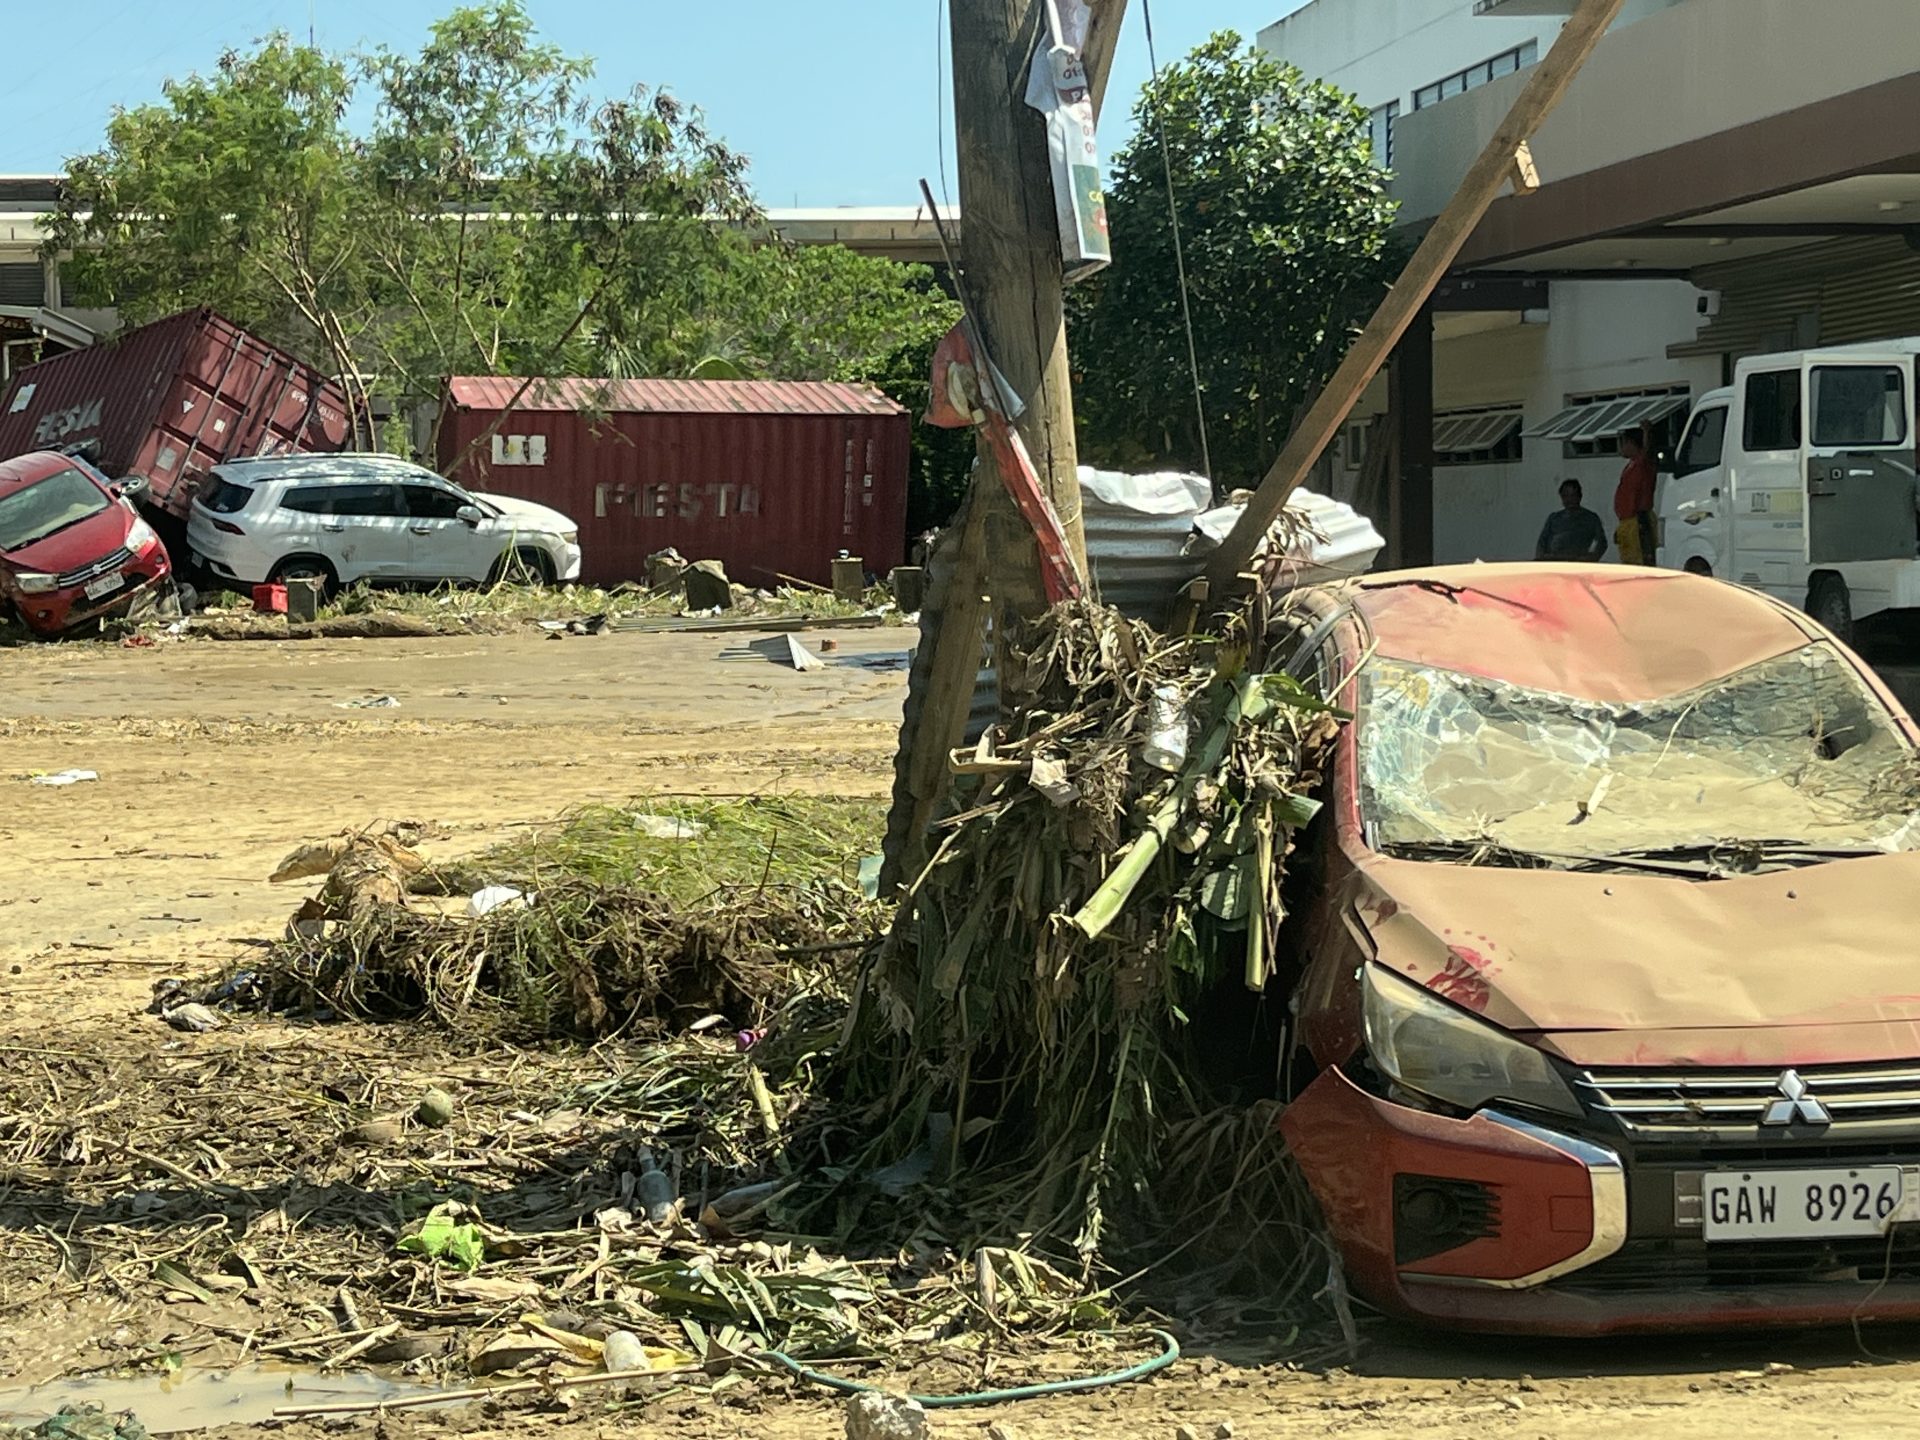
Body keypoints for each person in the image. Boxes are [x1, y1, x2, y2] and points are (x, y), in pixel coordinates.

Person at [1613, 428, 1659, 565]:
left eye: (1624, 443)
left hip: (1638, 519)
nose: (1622, 447)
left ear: (1632, 444)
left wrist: (1646, 432)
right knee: (1628, 560)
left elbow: (1646, 454)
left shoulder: (1642, 464)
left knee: (1641, 561)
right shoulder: (1631, 466)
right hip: (1627, 520)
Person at [1535, 479, 1608, 562]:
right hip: (1553, 562)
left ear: (1580, 496)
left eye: (1573, 495)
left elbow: (1602, 543)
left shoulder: (1591, 518)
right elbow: (1542, 542)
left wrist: (1590, 558)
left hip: (1578, 563)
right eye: (1565, 496)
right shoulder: (1554, 518)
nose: (1569, 499)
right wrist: (1541, 559)